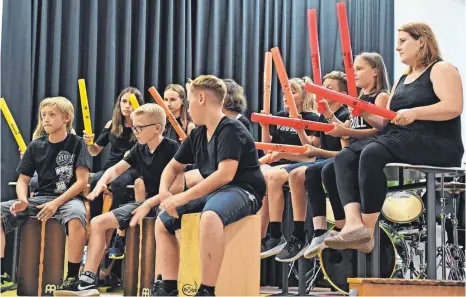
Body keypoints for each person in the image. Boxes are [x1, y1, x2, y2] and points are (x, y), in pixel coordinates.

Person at [325, 22, 464, 253]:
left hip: (437, 141)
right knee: (342, 159)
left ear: (421, 41)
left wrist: (415, 113)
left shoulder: (442, 69)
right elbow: (384, 123)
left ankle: (367, 232)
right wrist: (364, 111)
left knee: (371, 153)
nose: (397, 48)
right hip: (402, 137)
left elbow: (454, 106)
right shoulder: (402, 79)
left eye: (402, 41)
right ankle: (352, 225)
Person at [151, 75, 266, 296]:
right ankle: (168, 287)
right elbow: (172, 167)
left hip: (244, 190)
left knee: (211, 216)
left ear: (202, 98)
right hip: (217, 191)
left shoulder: (231, 129)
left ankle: (206, 290)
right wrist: (165, 193)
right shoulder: (198, 134)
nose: (188, 109)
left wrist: (182, 197)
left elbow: (225, 175)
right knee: (163, 222)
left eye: (190, 101)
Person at [53, 103, 182, 296]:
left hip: (167, 203)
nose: (135, 131)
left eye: (140, 127)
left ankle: (161, 283)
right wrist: (101, 183)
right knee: (98, 222)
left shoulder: (173, 148)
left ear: (157, 128)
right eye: (134, 127)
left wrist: (148, 204)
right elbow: (115, 169)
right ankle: (87, 281)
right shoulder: (140, 148)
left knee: (162, 221)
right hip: (146, 203)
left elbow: (177, 189)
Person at [0, 97, 91, 291]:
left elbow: (82, 182)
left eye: (52, 115)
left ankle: (72, 276)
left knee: (77, 215)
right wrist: (24, 200)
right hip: (40, 198)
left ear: (66, 118)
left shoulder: (77, 143)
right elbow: (23, 180)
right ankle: (0, 273)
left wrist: (56, 203)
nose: (46, 119)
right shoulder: (36, 145)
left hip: (69, 198)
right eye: (43, 115)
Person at [271, 71, 350, 262]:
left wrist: (315, 152)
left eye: (329, 88)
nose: (322, 91)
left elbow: (343, 154)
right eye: (322, 87)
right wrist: (299, 131)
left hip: (336, 162)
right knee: (299, 174)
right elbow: (312, 148)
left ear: (342, 94)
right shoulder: (323, 117)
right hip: (321, 160)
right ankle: (311, 232)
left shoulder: (344, 115)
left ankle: (336, 225)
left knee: (312, 171)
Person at [259, 77, 319, 258]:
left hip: (300, 163)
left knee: (274, 177)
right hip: (279, 162)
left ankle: (276, 233)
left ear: (304, 96)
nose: (287, 96)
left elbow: (310, 153)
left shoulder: (312, 118)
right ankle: (261, 236)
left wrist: (284, 154)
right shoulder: (281, 116)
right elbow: (266, 145)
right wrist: (265, 126)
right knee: (260, 176)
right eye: (285, 92)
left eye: (292, 92)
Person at [84, 87, 143, 259]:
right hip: (112, 165)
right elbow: (95, 151)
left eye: (131, 102)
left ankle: (120, 232)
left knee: (119, 183)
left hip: (132, 167)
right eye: (123, 101)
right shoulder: (112, 124)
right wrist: (89, 142)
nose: (127, 106)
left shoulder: (141, 125)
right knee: (95, 180)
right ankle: (95, 226)